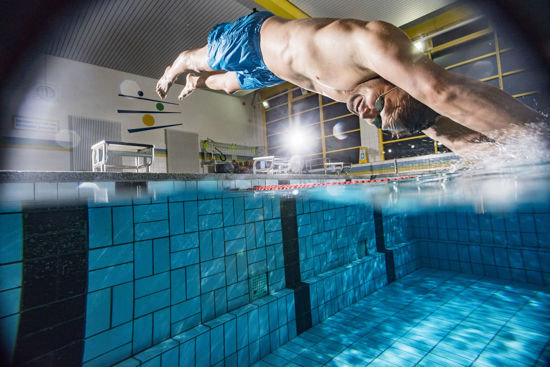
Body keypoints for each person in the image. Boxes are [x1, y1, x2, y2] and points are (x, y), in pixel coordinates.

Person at [156, 11, 546, 156]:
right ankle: (178, 68)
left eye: (377, 122)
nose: (367, 114)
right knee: (198, 59)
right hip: (256, 39)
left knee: (225, 86)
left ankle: (195, 82)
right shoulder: (371, 44)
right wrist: (536, 138)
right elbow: (441, 92)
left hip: (274, 70)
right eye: (381, 107)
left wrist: (493, 159)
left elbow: (441, 127)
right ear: (399, 81)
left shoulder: (394, 102)